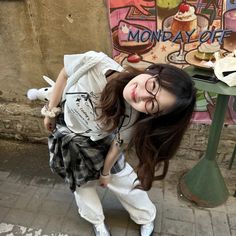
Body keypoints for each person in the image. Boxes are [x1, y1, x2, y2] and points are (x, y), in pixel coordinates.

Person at [42, 51, 196, 236]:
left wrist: (105, 172)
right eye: (152, 85)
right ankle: (97, 222)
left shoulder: (133, 116)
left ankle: (145, 217)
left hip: (101, 145)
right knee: (82, 188)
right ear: (153, 71)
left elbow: (118, 143)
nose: (140, 95)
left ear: (152, 115)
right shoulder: (95, 62)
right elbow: (65, 73)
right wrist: (50, 111)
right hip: (67, 138)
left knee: (126, 182)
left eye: (152, 105)